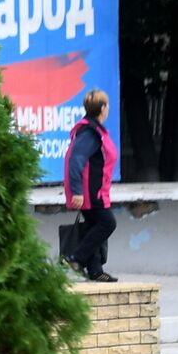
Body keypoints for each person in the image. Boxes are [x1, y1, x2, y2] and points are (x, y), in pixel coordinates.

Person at [62, 88, 118, 283]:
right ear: (102, 108)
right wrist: (77, 191)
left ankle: (95, 270)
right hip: (90, 191)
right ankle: (76, 258)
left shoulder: (94, 130)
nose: (108, 108)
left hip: (95, 190)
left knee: (94, 225)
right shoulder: (90, 132)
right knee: (107, 223)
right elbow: (76, 160)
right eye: (107, 105)